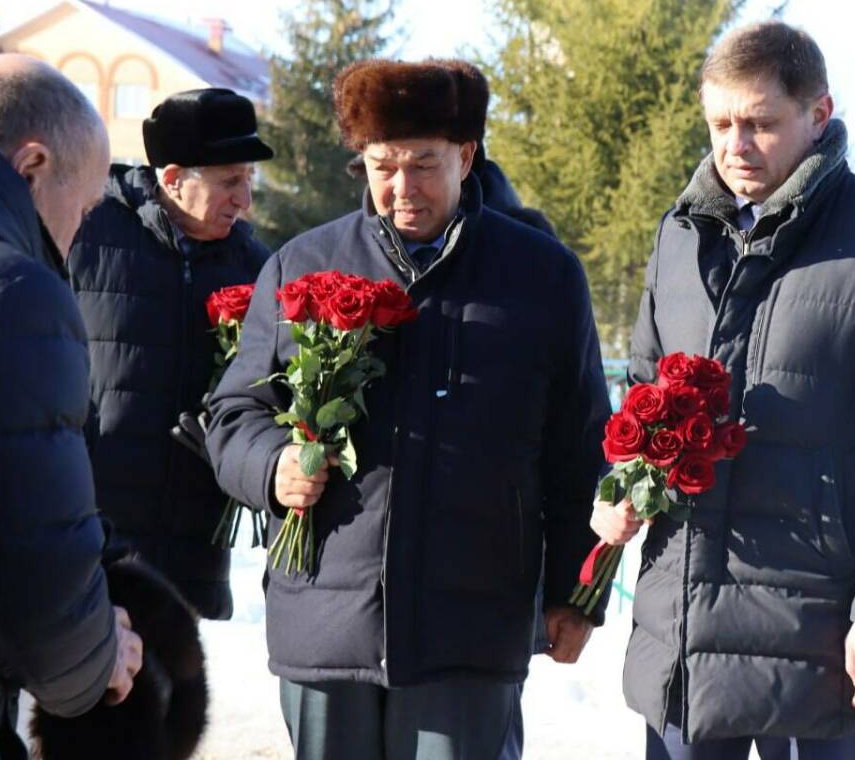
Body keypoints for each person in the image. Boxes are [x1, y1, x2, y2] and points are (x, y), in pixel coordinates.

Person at [590, 21, 855, 759]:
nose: (736, 145)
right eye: (721, 124)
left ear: (818, 115)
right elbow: (643, 389)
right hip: (683, 632)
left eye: (762, 124)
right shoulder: (680, 233)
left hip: (821, 637)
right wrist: (621, 485)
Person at [205, 58, 610, 759]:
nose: (402, 188)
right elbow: (233, 413)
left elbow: (579, 446)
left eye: (424, 165)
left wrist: (580, 592)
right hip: (326, 617)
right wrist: (272, 469)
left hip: (473, 624)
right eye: (382, 165)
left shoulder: (541, 276)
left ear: (467, 156)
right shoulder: (303, 266)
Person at [0, 54, 143, 760]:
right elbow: (35, 558)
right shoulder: (10, 293)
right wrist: (103, 656)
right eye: (88, 205)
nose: (79, 233)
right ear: (33, 164)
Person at [67, 88, 274, 620]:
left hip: (189, 549)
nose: (244, 200)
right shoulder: (83, 233)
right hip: (84, 532)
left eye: (248, 181)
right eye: (230, 182)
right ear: (173, 178)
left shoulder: (256, 265)